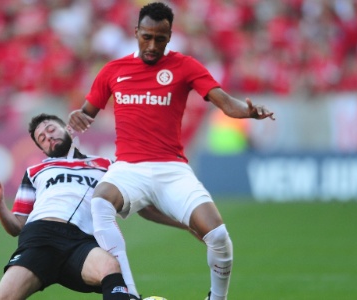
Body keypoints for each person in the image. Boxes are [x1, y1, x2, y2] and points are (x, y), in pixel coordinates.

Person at [67, 2, 275, 300]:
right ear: (136, 32)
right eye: (146, 37)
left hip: (171, 169)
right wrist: (79, 117)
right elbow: (86, 113)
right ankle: (128, 295)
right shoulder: (113, 70)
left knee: (219, 237)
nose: (152, 45)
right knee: (100, 202)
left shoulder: (185, 66)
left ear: (170, 36)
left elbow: (226, 103)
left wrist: (249, 111)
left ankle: (217, 298)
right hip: (128, 168)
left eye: (160, 39)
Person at [0, 113, 155, 300]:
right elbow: (17, 226)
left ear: (67, 129)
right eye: (42, 138)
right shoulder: (35, 172)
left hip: (82, 241)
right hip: (41, 238)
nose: (49, 137)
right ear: (42, 149)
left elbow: (137, 197)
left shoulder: (107, 165)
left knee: (110, 267)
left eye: (51, 129)